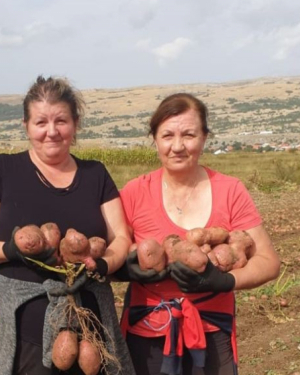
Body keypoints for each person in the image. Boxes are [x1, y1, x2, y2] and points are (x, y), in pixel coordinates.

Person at [0, 75, 135, 375]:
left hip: (91, 336)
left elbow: (121, 237)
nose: (52, 132)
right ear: (26, 125)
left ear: (75, 124)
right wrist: (11, 249)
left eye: (61, 121)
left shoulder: (96, 174)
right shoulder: (1, 170)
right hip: (23, 339)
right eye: (41, 122)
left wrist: (104, 265)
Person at [117, 93, 280, 375]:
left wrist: (224, 280)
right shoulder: (134, 192)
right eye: (167, 135)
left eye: (189, 135)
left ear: (204, 138)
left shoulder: (230, 190)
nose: (177, 146)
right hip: (147, 335)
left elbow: (268, 261)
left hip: (211, 333)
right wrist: (124, 270)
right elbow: (106, 256)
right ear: (154, 139)